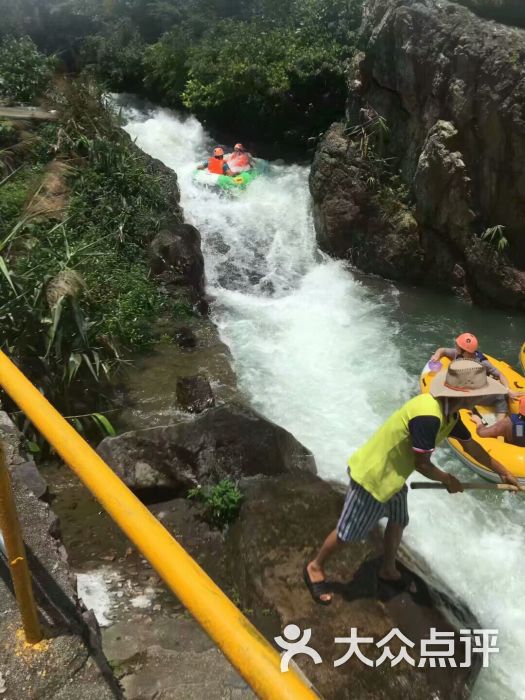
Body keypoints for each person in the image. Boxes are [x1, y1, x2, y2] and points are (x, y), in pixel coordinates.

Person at [304, 360, 519, 605]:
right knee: (348, 532)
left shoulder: (450, 415)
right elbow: (422, 464)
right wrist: (448, 479)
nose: (483, 398)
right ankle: (315, 566)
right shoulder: (429, 416)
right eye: (479, 394)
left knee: (399, 520)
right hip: (374, 478)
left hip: (394, 477)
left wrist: (503, 472)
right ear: (467, 396)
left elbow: (472, 446)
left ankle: (387, 568)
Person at [431, 332, 518, 418]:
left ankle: (499, 423)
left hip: (474, 390)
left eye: (457, 345)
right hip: (462, 389)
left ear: (463, 350)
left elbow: (500, 375)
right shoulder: (457, 353)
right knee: (500, 398)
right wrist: (436, 355)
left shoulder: (482, 362)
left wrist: (507, 389)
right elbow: (442, 350)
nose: (455, 345)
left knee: (501, 397)